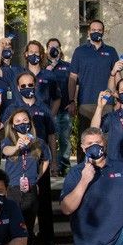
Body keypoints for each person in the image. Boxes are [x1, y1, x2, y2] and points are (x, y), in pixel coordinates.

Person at [0, 71, 59, 245]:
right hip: (17, 170)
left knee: (43, 202)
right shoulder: (12, 108)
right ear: (17, 88)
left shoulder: (43, 108)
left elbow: (52, 135)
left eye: (30, 84)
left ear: (35, 85)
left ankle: (48, 238)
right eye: (23, 86)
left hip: (37, 160)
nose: (27, 88)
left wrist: (53, 162)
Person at [68, 20, 123, 156]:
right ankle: (83, 170)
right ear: (88, 32)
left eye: (99, 30)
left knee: (105, 140)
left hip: (107, 104)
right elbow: (73, 78)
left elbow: (117, 76)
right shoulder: (80, 51)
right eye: (93, 30)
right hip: (85, 103)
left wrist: (120, 99)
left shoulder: (111, 51)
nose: (96, 32)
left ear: (103, 32)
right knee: (85, 138)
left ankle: (106, 169)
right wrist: (71, 100)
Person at [0, 109, 51, 245]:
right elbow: (6, 151)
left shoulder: (39, 142)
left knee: (28, 225)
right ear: (13, 125)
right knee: (13, 224)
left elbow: (46, 160)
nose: (22, 123)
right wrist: (17, 146)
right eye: (18, 121)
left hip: (30, 188)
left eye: (25, 120)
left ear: (30, 122)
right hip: (13, 188)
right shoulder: (8, 141)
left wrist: (38, 177)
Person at [41, 38, 73, 175]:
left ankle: (63, 166)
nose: (53, 50)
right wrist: (50, 67)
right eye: (50, 47)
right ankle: (48, 165)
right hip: (47, 110)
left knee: (64, 139)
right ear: (46, 50)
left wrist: (73, 102)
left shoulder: (68, 66)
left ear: (60, 49)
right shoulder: (42, 67)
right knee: (48, 139)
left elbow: (74, 85)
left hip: (64, 108)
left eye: (56, 47)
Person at [0, 36, 25, 108]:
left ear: (12, 51)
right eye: (3, 49)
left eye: (9, 49)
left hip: (14, 107)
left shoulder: (18, 69)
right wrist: (0, 47)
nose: (6, 51)